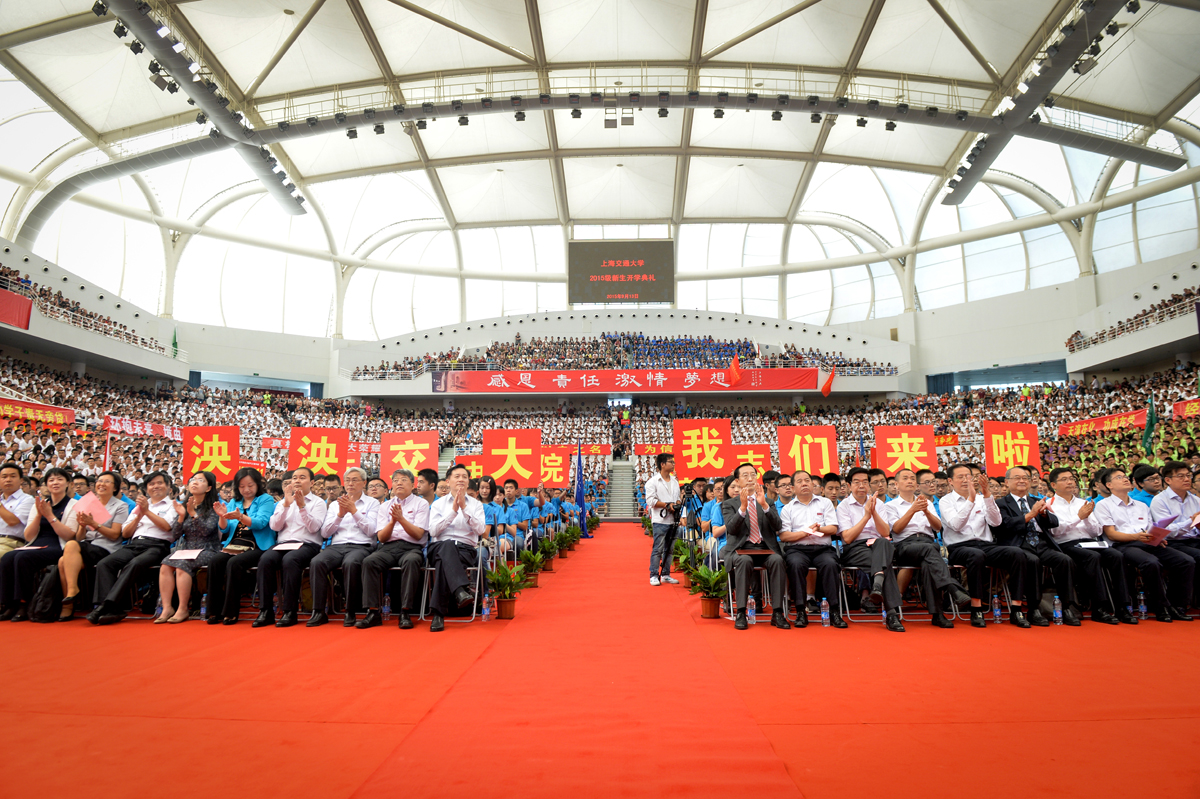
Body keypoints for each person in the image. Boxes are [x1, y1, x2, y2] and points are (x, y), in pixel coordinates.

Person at [940, 464, 1032, 627]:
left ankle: (1016, 608)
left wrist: (987, 495)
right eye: (960, 477)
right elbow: (956, 525)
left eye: (968, 476)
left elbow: (996, 522)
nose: (965, 480)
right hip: (958, 547)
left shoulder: (982, 499)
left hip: (985, 545)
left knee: (1017, 553)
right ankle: (976, 608)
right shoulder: (946, 501)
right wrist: (970, 500)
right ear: (950, 481)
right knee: (976, 555)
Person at [1095, 469, 1193, 622]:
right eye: (1119, 477)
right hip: (1124, 545)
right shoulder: (1104, 505)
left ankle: (1177, 605)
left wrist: (1157, 537)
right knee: (1151, 563)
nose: (1125, 479)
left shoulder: (1141, 506)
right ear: (1109, 485)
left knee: (1185, 561)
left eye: (1125, 476)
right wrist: (1136, 537)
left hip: (1147, 542)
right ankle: (1161, 607)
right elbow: (1112, 534)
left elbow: (1149, 529)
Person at [83, 470, 178, 624]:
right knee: (105, 563)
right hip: (135, 544)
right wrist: (138, 517)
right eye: (151, 484)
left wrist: (146, 512)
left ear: (168, 487)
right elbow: (126, 533)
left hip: (157, 546)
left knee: (134, 564)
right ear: (146, 488)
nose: (155, 486)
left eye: (160, 483)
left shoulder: (173, 505)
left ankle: (106, 606)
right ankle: (111, 609)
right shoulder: (138, 507)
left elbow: (167, 526)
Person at [1046, 467, 1136, 625]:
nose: (1070, 482)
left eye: (1072, 478)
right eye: (1064, 479)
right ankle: (1099, 607)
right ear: (1053, 485)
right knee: (1092, 557)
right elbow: (1055, 531)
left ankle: (1123, 606)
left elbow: (1097, 531)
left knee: (1116, 556)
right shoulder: (1049, 504)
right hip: (1066, 544)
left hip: (1090, 541)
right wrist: (1078, 517)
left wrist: (1086, 518)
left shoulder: (1084, 503)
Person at [994, 465, 1080, 626]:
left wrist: (1043, 513)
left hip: (1041, 543)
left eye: (1025, 478)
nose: (1022, 481)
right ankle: (1034, 608)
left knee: (1064, 560)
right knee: (1033, 561)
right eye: (1017, 478)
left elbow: (1054, 522)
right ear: (1006, 482)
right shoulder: (1000, 503)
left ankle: (1067, 607)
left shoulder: (1036, 501)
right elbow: (1004, 526)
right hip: (1018, 545)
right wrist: (1031, 514)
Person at [887, 468, 969, 627]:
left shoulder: (927, 503)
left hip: (927, 543)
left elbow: (937, 527)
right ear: (896, 484)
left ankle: (937, 614)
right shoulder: (891, 506)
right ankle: (951, 588)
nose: (910, 481)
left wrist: (926, 511)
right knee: (930, 551)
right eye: (905, 478)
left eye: (912, 478)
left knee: (929, 563)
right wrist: (912, 510)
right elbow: (896, 529)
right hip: (905, 546)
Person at [254, 467, 328, 628]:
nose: (297, 481)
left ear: (312, 482)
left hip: (307, 545)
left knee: (290, 560)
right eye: (294, 478)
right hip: (283, 544)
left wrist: (302, 507)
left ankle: (290, 611)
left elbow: (314, 528)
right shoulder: (283, 502)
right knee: (265, 559)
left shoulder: (318, 503)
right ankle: (266, 611)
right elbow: (274, 526)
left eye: (302, 477)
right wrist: (287, 505)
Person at [309, 467, 380, 627]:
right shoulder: (335, 505)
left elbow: (371, 531)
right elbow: (325, 533)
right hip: (337, 546)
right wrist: (340, 515)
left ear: (364, 483)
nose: (350, 483)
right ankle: (319, 611)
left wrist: (354, 511)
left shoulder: (372, 503)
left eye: (354, 480)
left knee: (351, 563)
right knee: (317, 562)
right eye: (347, 480)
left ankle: (350, 610)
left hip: (361, 546)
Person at [0, 467, 73, 621]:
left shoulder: (73, 504)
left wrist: (50, 516)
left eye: (60, 479)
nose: (55, 483)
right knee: (8, 557)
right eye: (51, 480)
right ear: (46, 484)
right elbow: (28, 535)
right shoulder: (39, 503)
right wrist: (39, 516)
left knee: (22, 558)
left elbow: (69, 535)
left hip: (58, 545)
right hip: (36, 543)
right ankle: (9, 604)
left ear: (68, 483)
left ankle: (24, 603)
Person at [721, 462, 787, 630]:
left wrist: (764, 505)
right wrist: (743, 508)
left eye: (753, 475)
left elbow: (778, 526)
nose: (750, 478)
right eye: (745, 475)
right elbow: (731, 529)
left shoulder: (768, 501)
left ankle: (777, 613)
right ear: (737, 481)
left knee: (777, 560)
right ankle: (741, 612)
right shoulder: (730, 504)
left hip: (765, 548)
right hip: (741, 549)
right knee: (744, 561)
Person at [360, 469, 429, 630]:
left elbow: (418, 534)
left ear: (412, 485)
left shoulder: (421, 504)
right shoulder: (385, 506)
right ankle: (373, 612)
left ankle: (405, 612)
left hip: (411, 547)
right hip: (388, 547)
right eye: (396, 480)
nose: (399, 483)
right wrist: (392, 521)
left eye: (403, 480)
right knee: (369, 561)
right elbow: (382, 538)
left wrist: (401, 519)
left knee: (412, 561)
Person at [836, 467, 904, 632]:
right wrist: (866, 516)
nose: (861, 486)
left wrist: (873, 512)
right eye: (857, 482)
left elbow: (885, 532)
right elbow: (847, 538)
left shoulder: (878, 503)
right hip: (855, 548)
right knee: (885, 565)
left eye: (865, 482)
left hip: (878, 545)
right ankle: (891, 613)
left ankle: (879, 586)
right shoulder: (843, 506)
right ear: (849, 485)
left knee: (883, 543)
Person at [206, 467, 275, 624]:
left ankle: (230, 612)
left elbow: (261, 523)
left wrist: (241, 517)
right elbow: (225, 529)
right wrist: (222, 516)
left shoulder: (266, 499)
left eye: (250, 485)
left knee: (234, 563)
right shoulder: (234, 502)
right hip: (236, 544)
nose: (246, 490)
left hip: (257, 545)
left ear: (257, 484)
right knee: (215, 561)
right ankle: (213, 611)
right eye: (242, 486)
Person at [154, 471, 223, 625]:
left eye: (200, 480)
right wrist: (180, 517)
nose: (195, 482)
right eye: (193, 479)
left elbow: (207, 531)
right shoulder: (184, 505)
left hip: (208, 549)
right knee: (165, 564)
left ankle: (183, 608)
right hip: (187, 548)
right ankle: (167, 608)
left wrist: (193, 514)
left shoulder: (214, 507)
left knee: (182, 565)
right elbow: (175, 535)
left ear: (208, 488)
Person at [426, 464, 485, 632]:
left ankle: (438, 614)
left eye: (464, 477)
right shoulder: (438, 504)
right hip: (438, 547)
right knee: (447, 545)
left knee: (443, 562)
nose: (461, 479)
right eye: (457, 476)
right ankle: (460, 590)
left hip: (465, 550)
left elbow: (480, 530)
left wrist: (464, 509)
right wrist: (453, 512)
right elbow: (433, 531)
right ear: (448, 481)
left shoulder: (476, 505)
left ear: (468, 481)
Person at [65, 472, 130, 623]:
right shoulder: (88, 504)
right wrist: (82, 526)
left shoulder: (120, 506)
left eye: (107, 481)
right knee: (63, 560)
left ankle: (73, 592)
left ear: (115, 488)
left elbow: (115, 535)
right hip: (87, 546)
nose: (102, 484)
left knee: (71, 546)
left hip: (106, 548)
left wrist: (94, 523)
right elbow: (80, 537)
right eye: (100, 481)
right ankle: (68, 603)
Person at [779, 470, 839, 628]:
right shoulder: (787, 509)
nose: (804, 483)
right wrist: (805, 533)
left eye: (807, 480)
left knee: (831, 564)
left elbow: (833, 528)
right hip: (797, 549)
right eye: (799, 481)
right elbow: (784, 536)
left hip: (822, 548)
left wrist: (818, 529)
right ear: (793, 488)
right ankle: (800, 610)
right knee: (795, 564)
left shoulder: (825, 503)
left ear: (813, 484)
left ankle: (834, 610)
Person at [1150, 460, 1200, 608]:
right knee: (1191, 559)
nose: (1186, 479)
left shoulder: (1196, 500)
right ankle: (1178, 605)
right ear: (1168, 480)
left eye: (1188, 475)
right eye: (1181, 476)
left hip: (1194, 539)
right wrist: (1191, 522)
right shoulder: (1159, 501)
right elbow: (1167, 531)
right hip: (1172, 543)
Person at [644, 453, 681, 587]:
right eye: (671, 462)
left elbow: (678, 498)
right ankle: (654, 575)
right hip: (660, 520)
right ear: (662, 464)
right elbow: (651, 501)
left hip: (673, 520)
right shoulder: (653, 482)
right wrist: (667, 505)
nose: (673, 464)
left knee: (669, 549)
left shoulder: (675, 482)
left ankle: (665, 574)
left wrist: (676, 504)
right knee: (658, 549)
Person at [0, 462, 34, 560]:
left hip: (11, 543)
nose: (8, 479)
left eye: (13, 476)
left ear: (21, 480)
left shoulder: (27, 499)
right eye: (4, 477)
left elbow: (12, 521)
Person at [497, 478, 529, 559]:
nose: (508, 490)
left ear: (516, 491)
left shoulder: (523, 506)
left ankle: (517, 563)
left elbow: (525, 526)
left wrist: (511, 521)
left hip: (517, 534)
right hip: (499, 535)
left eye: (511, 488)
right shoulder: (497, 507)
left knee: (518, 543)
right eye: (506, 488)